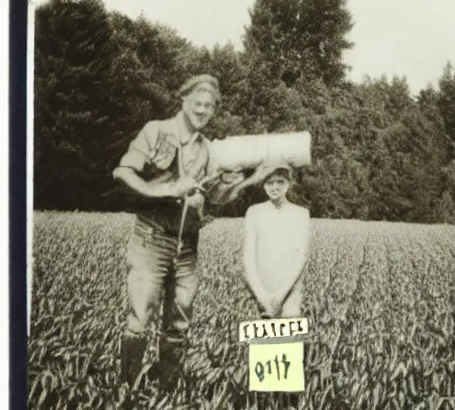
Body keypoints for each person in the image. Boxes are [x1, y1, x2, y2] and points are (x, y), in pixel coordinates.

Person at [113, 74, 260, 389]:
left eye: (210, 106)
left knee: (179, 323)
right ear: (183, 101)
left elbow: (213, 200)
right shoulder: (156, 131)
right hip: (151, 239)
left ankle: (167, 392)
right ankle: (125, 393)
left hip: (187, 246)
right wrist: (169, 189)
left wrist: (238, 183)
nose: (204, 110)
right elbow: (123, 173)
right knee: (139, 318)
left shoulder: (208, 150)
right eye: (199, 103)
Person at [243, 164, 310, 319]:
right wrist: (261, 296)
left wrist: (279, 296)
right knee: (261, 341)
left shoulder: (300, 214)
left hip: (290, 291)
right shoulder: (254, 212)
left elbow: (300, 256)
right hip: (259, 290)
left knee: (288, 341)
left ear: (289, 183)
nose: (275, 187)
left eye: (280, 182)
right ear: (263, 185)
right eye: (269, 183)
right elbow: (248, 257)